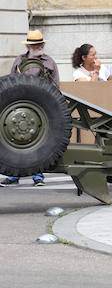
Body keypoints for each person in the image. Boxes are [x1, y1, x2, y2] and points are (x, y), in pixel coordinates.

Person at [2, 30, 60, 187]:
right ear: (28, 45)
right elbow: (10, 83)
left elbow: (56, 86)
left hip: (42, 107)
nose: (37, 47)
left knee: (38, 142)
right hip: (20, 105)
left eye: (39, 44)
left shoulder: (49, 62)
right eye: (34, 44)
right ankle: (13, 176)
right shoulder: (19, 61)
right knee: (17, 142)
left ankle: (38, 176)